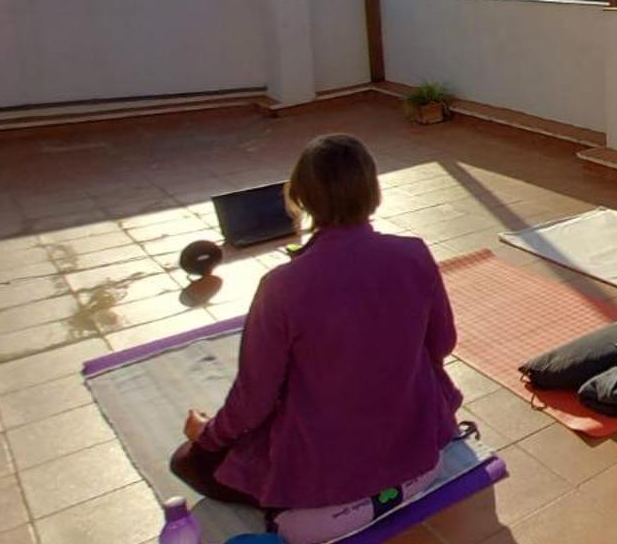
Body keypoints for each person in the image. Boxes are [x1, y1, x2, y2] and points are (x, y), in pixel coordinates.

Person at [171, 134, 463, 512]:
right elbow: (442, 343)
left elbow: (254, 399)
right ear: (373, 190)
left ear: (302, 199)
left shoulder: (282, 285)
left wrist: (208, 435)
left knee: (186, 460)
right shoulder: (414, 254)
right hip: (416, 446)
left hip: (326, 472)